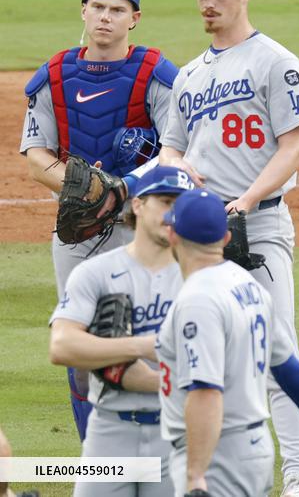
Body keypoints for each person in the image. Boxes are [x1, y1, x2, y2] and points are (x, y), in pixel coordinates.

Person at [158, 0, 299, 497]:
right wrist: (180, 169)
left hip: (260, 229)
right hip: (200, 237)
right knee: (195, 348)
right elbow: (172, 148)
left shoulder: (277, 62)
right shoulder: (189, 75)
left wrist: (245, 201)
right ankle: (198, 467)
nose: (208, 2)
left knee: (278, 350)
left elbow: (295, 148)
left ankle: (298, 476)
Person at [20, 0, 177, 440]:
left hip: (141, 228)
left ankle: (159, 448)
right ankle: (98, 453)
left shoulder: (156, 73)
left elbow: (175, 149)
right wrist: (82, 190)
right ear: (84, 11)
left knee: (152, 336)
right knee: (83, 344)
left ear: (135, 18)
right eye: (98, 6)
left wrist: (120, 189)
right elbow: (35, 156)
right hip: (76, 232)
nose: (106, 17)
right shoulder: (53, 74)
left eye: (117, 9)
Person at [157, 189, 299, 496]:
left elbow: (206, 392)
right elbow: (286, 363)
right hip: (255, 452)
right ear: (225, 239)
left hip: (217, 457)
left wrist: (196, 474)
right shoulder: (250, 287)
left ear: (172, 235)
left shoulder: (198, 300)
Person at [48, 166, 193, 495]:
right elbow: (61, 347)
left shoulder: (200, 277)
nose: (173, 214)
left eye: (181, 206)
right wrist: (142, 347)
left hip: (177, 434)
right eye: (166, 202)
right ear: (138, 205)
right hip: (109, 433)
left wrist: (124, 360)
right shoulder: (95, 273)